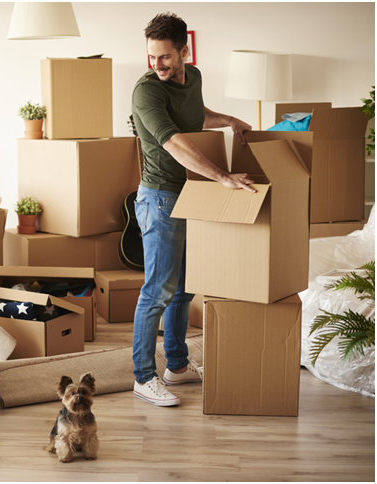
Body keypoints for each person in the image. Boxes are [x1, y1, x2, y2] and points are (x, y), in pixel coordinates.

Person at [130, 12, 256, 407]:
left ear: (185, 51)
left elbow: (194, 116)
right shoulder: (146, 91)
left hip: (190, 195)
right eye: (152, 57)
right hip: (160, 198)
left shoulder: (194, 76)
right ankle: (143, 376)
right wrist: (222, 177)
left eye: (165, 57)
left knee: (184, 289)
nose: (157, 65)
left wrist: (229, 120)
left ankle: (177, 366)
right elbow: (174, 142)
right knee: (158, 291)